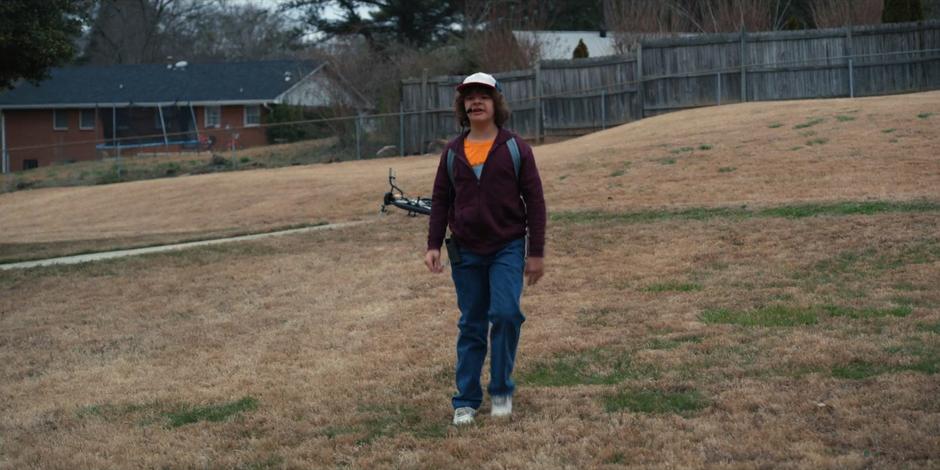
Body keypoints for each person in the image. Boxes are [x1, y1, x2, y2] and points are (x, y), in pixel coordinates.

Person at [424, 72, 547, 426]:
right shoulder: (452, 152)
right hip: (465, 251)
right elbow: (441, 199)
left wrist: (535, 252)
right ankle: (465, 400)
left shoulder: (515, 148)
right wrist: (434, 244)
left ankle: (502, 389)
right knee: (472, 324)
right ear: (463, 106)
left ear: (497, 104)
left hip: (506, 246)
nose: (476, 102)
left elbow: (535, 202)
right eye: (470, 97)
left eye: (484, 96)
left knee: (506, 314)